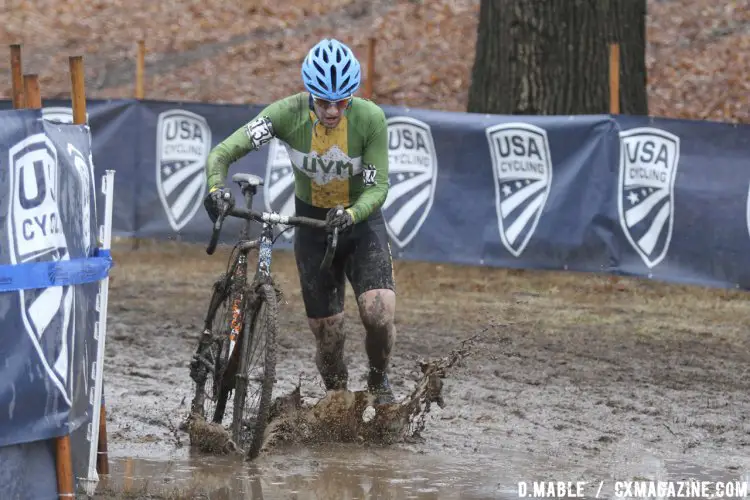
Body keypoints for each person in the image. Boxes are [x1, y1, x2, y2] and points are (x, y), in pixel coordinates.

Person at [202, 38, 397, 404]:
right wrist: (215, 188)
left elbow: (378, 186)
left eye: (342, 101)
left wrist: (353, 213)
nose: (333, 110)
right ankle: (338, 399)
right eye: (324, 101)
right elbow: (223, 152)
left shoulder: (370, 119)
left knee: (379, 310)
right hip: (312, 224)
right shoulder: (285, 114)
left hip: (359, 221)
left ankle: (378, 379)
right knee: (329, 334)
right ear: (310, 94)